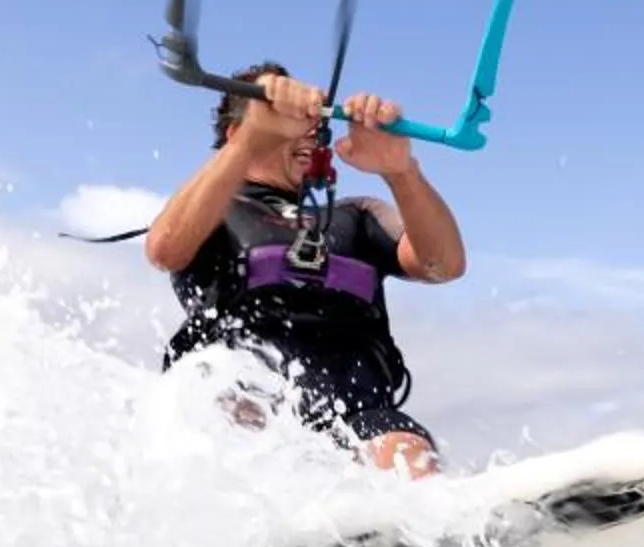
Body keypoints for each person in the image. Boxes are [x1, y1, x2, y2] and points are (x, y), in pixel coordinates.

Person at [142, 62, 467, 475]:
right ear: (236, 132)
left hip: (355, 420)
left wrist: (400, 171)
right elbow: (163, 249)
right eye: (290, 122)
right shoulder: (210, 209)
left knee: (406, 453)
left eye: (314, 124)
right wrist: (248, 141)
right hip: (244, 422)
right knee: (237, 413)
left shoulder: (358, 216)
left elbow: (445, 264)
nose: (311, 132)